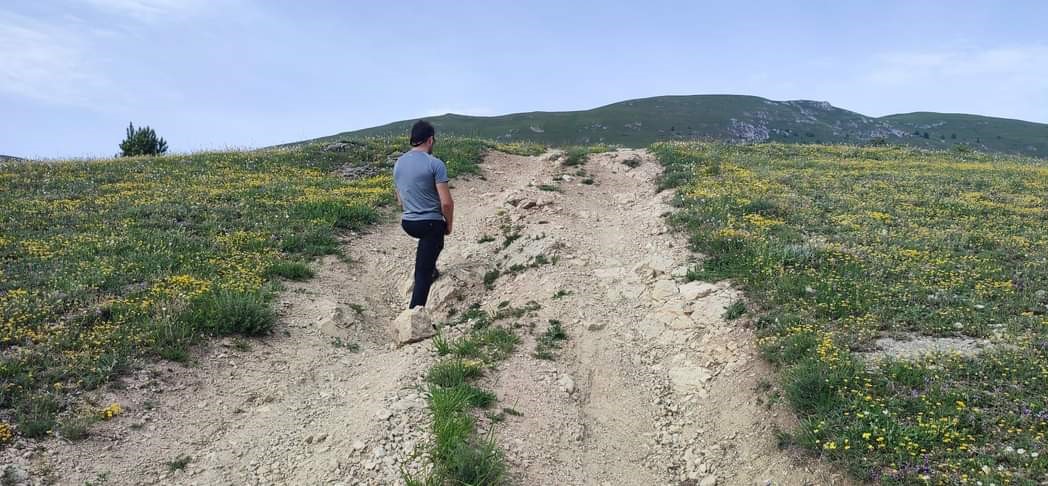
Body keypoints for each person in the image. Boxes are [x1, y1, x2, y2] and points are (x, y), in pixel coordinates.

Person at [393, 120, 454, 309]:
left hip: (408, 222)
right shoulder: (435, 163)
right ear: (430, 139)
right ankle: (414, 315)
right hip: (430, 224)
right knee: (423, 271)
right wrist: (448, 224)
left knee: (434, 243)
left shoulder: (399, 163)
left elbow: (400, 199)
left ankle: (431, 267)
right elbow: (446, 202)